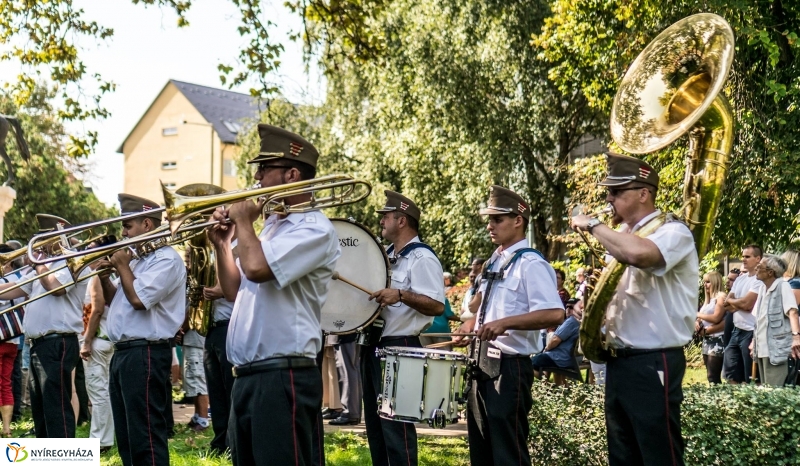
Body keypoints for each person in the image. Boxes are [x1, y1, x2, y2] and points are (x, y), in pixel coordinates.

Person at [208, 124, 340, 466]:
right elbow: (234, 289)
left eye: (264, 169)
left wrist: (242, 222)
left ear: (292, 174)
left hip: (283, 376)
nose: (256, 177)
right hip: (249, 375)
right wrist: (223, 245)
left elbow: (255, 268)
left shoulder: (314, 228)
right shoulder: (272, 226)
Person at [570, 153, 698, 466]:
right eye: (608, 193)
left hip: (653, 361)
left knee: (658, 456)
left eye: (616, 192)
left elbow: (640, 256)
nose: (609, 199)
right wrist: (588, 309)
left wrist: (593, 224)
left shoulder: (673, 232)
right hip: (620, 363)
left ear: (644, 193)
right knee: (623, 457)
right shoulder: (622, 238)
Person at [453, 185, 564, 466]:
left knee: (507, 452)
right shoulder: (495, 259)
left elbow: (554, 314)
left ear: (518, 220)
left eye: (497, 219)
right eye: (489, 220)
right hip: (481, 362)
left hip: (510, 367)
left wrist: (504, 324)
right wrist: (470, 326)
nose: (490, 225)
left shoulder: (531, 263)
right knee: (482, 449)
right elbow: (486, 306)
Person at [96, 194, 187, 466]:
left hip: (145, 354)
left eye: (128, 226)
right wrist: (104, 276)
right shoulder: (137, 261)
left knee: (145, 435)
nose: (123, 233)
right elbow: (118, 300)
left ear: (147, 225)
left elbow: (138, 301)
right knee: (126, 435)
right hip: (125, 353)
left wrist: (122, 265)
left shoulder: (167, 260)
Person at [363, 190, 445, 466]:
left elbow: (436, 305)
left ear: (402, 220)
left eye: (386, 216)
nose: (382, 220)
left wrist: (400, 294)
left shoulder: (422, 258)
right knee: (376, 427)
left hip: (402, 348)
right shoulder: (384, 255)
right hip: (376, 345)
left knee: (396, 428)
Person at [0, 214, 91, 438]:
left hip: (57, 342)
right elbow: (12, 290)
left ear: (58, 237)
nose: (39, 244)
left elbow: (56, 288)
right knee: (40, 410)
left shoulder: (71, 262)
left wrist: (39, 264)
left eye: (43, 237)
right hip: (39, 345)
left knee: (56, 408)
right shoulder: (45, 265)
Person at [79, 235, 118, 452]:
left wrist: (86, 342)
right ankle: (105, 438)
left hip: (98, 340)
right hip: (105, 340)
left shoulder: (97, 275)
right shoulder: (105, 274)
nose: (85, 251)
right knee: (103, 392)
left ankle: (100, 441)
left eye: (90, 248)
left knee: (98, 392)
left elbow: (98, 308)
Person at [750, 255, 800, 386]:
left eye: (759, 266)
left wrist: (796, 337)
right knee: (766, 389)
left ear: (770, 272)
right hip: (761, 348)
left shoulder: (783, 286)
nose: (756, 268)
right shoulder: (762, 288)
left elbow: (793, 311)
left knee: (774, 390)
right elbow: (760, 319)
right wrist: (754, 341)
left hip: (775, 350)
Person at [201, 276, 236, 454]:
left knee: (230, 390)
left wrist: (223, 290)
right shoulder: (214, 256)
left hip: (231, 326)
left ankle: (233, 443)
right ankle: (220, 442)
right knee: (215, 391)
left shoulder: (241, 252)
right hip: (213, 328)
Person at [723, 245, 762, 383]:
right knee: (730, 374)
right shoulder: (740, 279)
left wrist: (736, 303)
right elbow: (726, 304)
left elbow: (748, 304)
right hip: (736, 330)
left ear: (758, 259)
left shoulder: (759, 280)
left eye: (747, 256)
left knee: (750, 377)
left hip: (750, 331)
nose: (743, 259)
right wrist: (740, 303)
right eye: (743, 256)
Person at [0, 243, 21, 437]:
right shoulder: (19, 278)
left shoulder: (4, 281)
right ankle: (6, 429)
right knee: (5, 383)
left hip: (0, 340)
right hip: (13, 339)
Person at [532, 298, 580, 381]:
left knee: (528, 363)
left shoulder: (571, 321)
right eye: (567, 307)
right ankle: (556, 387)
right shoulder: (579, 322)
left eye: (571, 307)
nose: (568, 309)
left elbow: (555, 340)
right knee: (542, 358)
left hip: (560, 358)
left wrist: (546, 349)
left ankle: (545, 382)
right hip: (570, 358)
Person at [695, 271, 727, 384]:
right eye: (704, 282)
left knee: (713, 376)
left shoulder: (721, 297)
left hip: (718, 340)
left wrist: (697, 314)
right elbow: (703, 317)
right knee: (710, 376)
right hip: (707, 340)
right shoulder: (708, 299)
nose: (705, 285)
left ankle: (719, 399)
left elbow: (716, 318)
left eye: (708, 282)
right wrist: (697, 322)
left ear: (715, 282)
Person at [329, 332, 361, 426]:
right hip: (350, 332)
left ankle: (349, 413)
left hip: (345, 332)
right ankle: (352, 412)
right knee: (351, 370)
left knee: (346, 372)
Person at [721, 268, 740, 350]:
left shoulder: (739, 298)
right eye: (728, 278)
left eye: (732, 280)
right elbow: (725, 305)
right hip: (727, 339)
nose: (728, 281)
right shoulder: (728, 295)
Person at [460, 257, 483, 321]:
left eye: (473, 264)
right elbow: (464, 307)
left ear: (479, 266)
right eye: (471, 277)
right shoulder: (469, 291)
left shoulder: (483, 282)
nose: (472, 279)